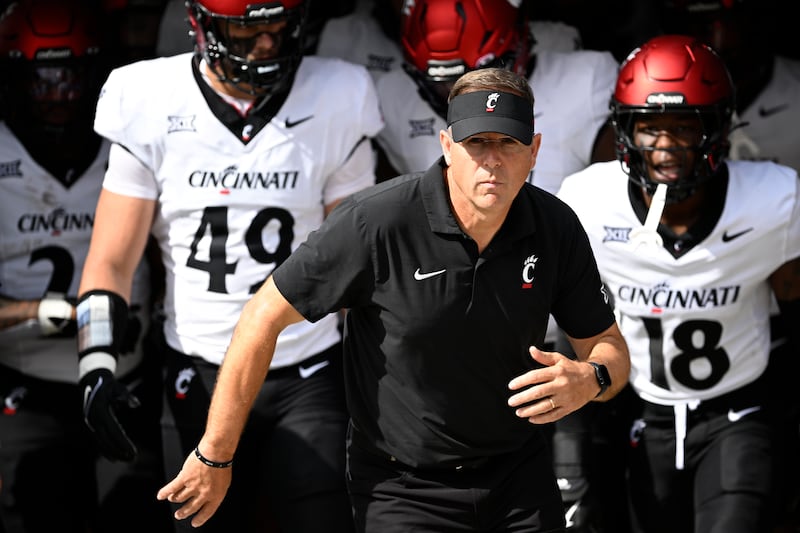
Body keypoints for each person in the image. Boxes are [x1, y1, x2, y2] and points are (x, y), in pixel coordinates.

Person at [156, 66, 631, 533]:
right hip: (403, 486)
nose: (492, 160)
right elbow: (262, 316)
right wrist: (214, 453)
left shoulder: (556, 226)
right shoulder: (375, 221)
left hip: (517, 477)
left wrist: (592, 378)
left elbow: (608, 346)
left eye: (508, 142)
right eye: (476, 143)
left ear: (535, 151)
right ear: (446, 147)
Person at [77, 0, 383, 531]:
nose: (266, 44)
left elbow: (356, 259)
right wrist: (95, 364)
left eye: (277, 26)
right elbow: (111, 257)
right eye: (246, 29)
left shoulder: (340, 95)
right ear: (201, 24)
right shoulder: (147, 97)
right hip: (198, 366)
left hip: (306, 367)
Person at [557, 34, 800, 533]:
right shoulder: (588, 202)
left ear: (717, 127)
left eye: (684, 127)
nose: (666, 146)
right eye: (649, 127)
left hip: (739, 409)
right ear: (625, 131)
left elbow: (794, 302)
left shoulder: (774, 201)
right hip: (644, 416)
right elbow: (576, 329)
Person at [0, 0, 167, 531]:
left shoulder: (130, 145)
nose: (56, 96)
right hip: (29, 383)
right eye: (41, 80)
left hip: (129, 374)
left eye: (69, 78)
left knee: (142, 515)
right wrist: (38, 309)